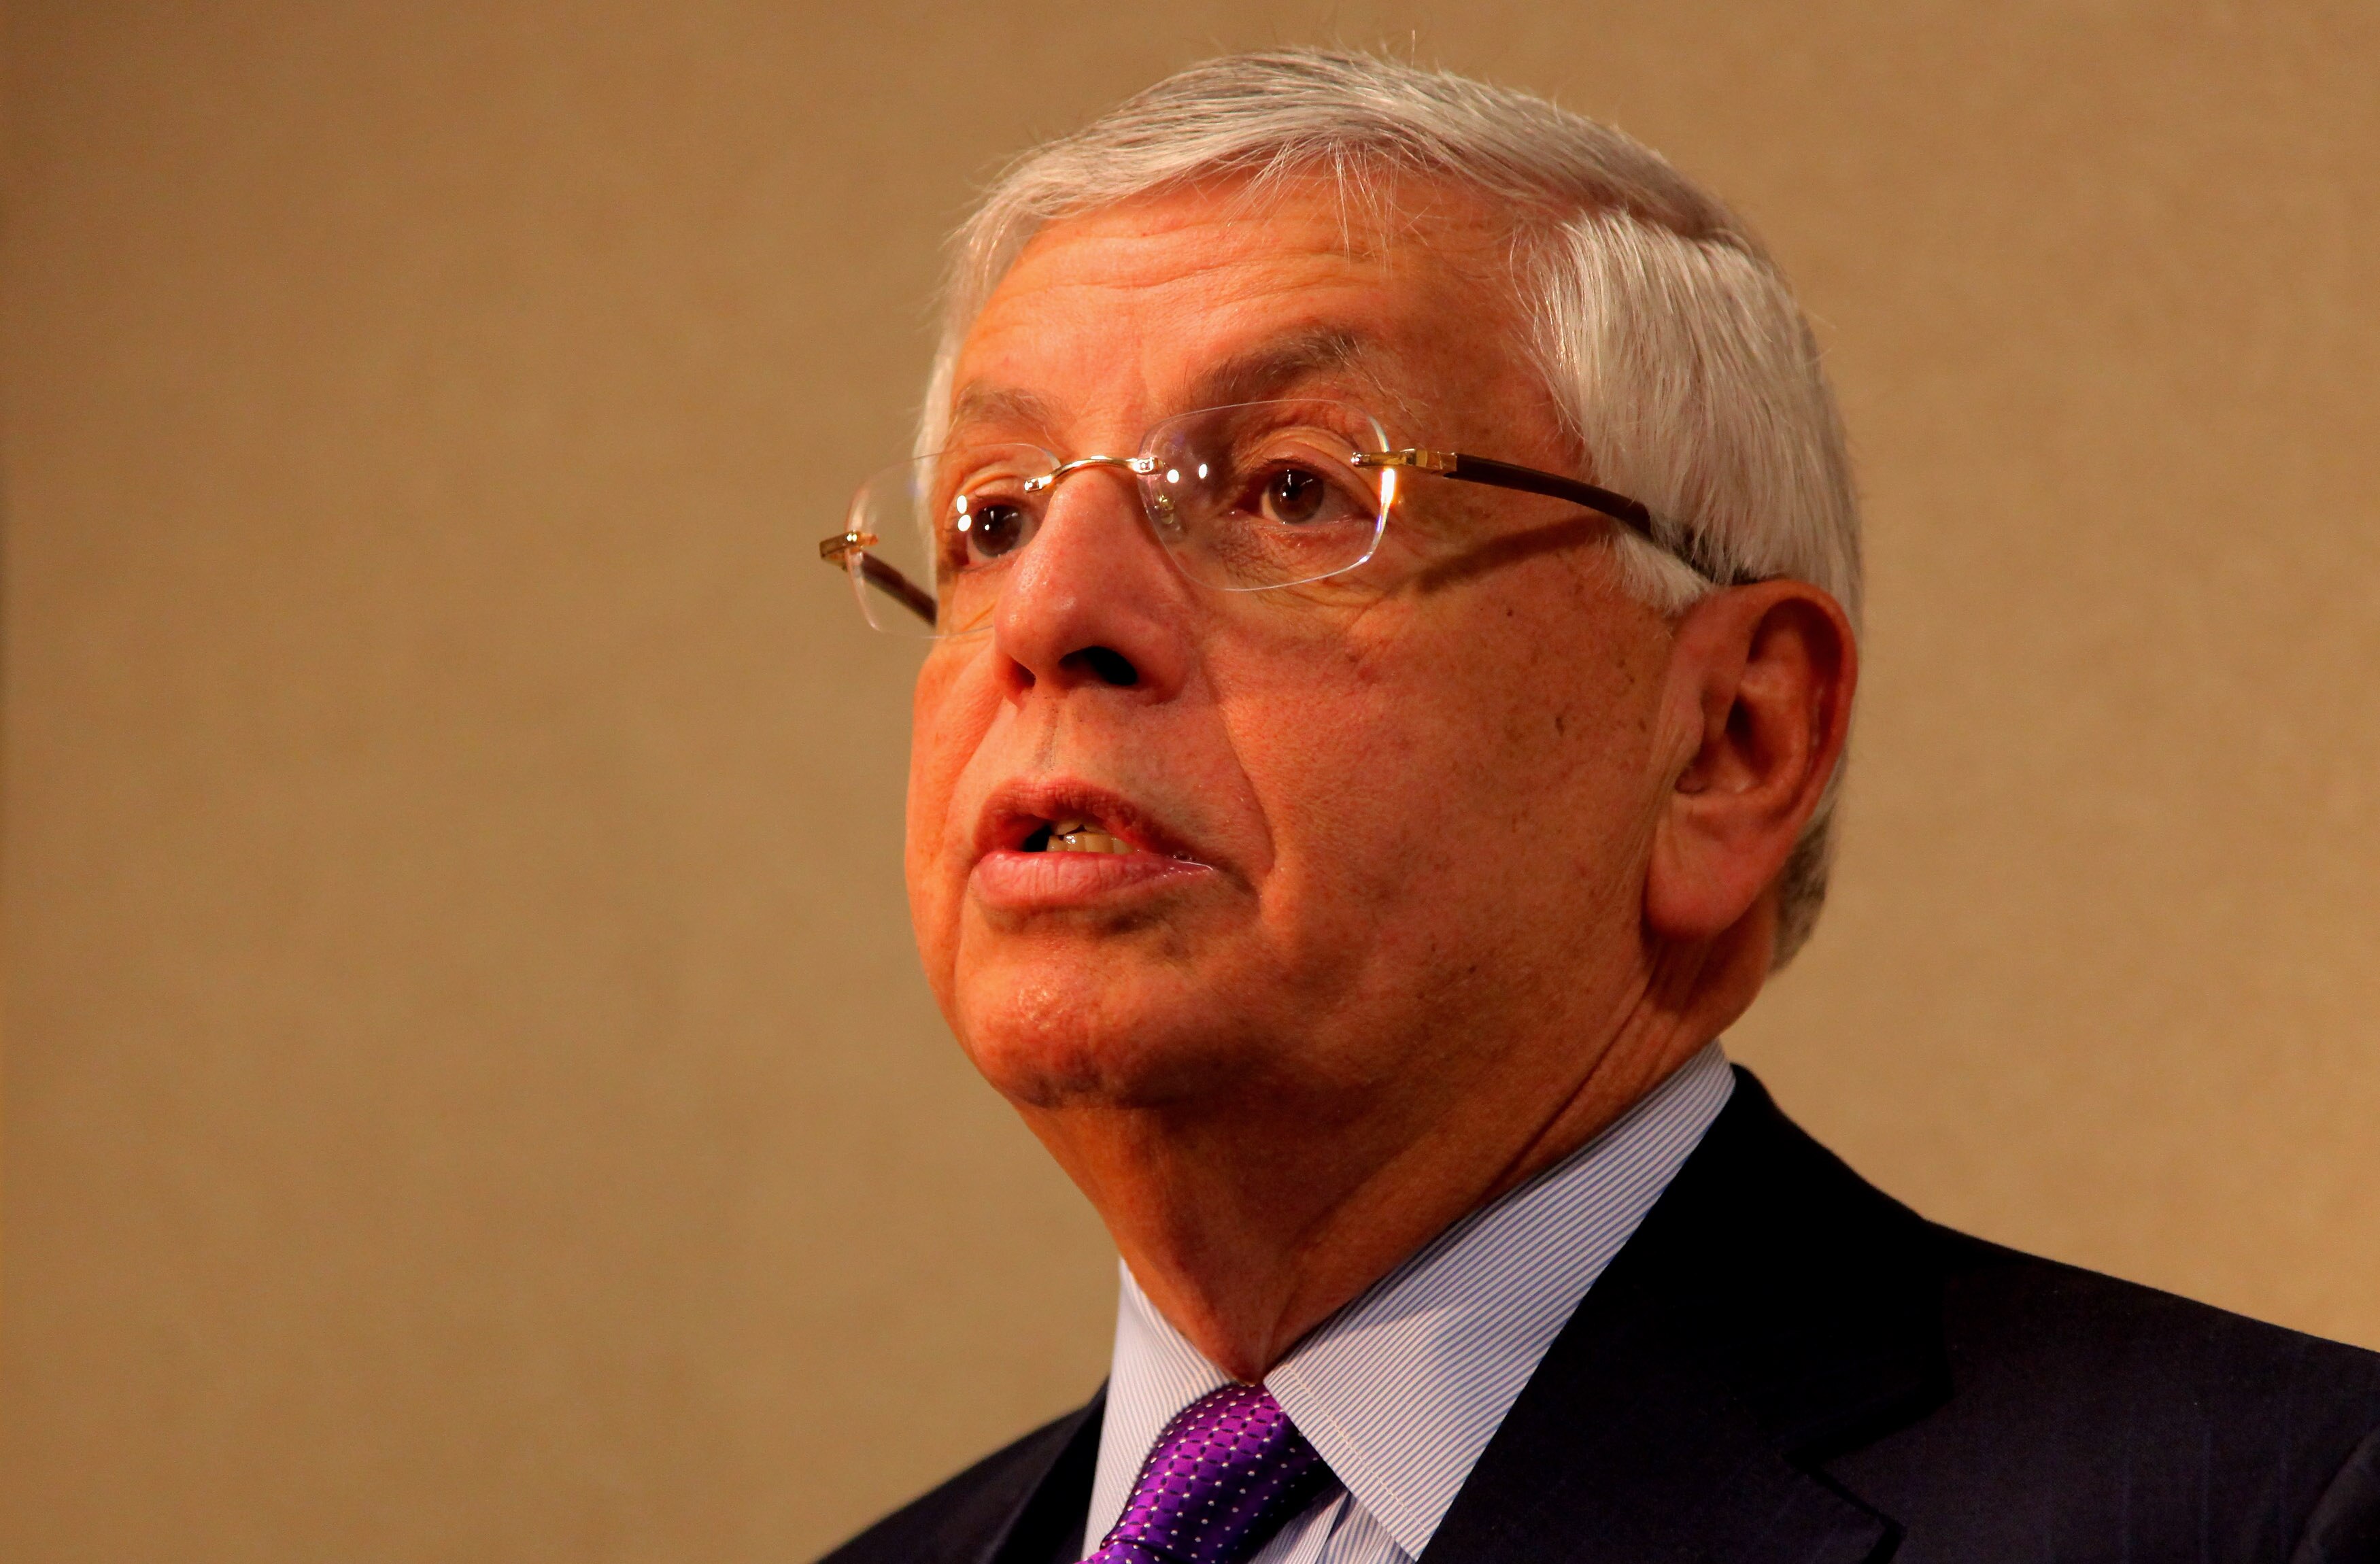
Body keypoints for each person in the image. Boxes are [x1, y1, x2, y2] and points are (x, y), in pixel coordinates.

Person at [813, 49, 2380, 1564]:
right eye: (996, 515)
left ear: (1727, 742)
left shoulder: (2270, 1512)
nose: (1048, 611)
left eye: (1293, 487)